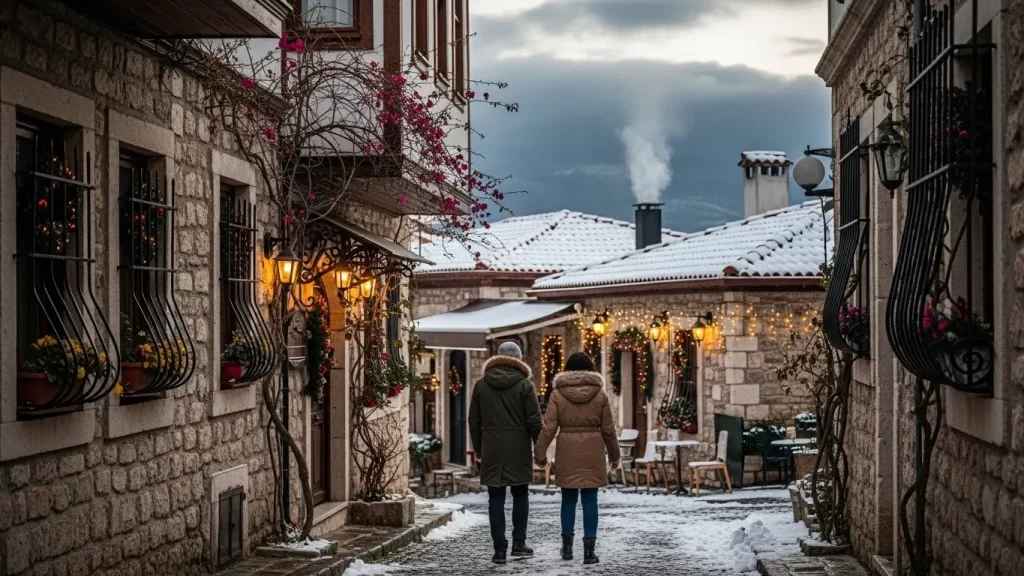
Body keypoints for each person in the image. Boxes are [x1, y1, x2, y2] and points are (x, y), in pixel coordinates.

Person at [534, 352, 620, 565]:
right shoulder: (600, 394)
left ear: (567, 370)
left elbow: (549, 427)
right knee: (590, 500)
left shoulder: (557, 394)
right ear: (590, 370)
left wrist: (539, 454)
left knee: (568, 500)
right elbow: (608, 430)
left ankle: (567, 549)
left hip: (567, 451)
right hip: (593, 452)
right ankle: (589, 552)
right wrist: (615, 456)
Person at [468, 341, 542, 565]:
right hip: (518, 448)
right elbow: (534, 421)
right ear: (518, 359)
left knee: (495, 499)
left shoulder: (481, 385)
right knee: (521, 496)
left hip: (492, 448)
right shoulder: (525, 386)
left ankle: (499, 549)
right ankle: (519, 543)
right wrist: (539, 451)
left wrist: (479, 450)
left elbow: (474, 420)